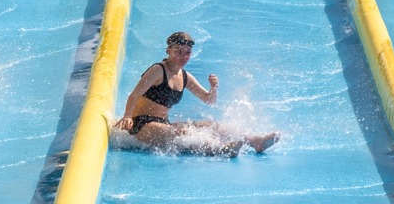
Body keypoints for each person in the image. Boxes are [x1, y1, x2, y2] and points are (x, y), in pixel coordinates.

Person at [116, 31, 278, 156]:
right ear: (169, 51)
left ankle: (255, 141)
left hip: (162, 123)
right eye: (178, 51)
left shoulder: (185, 77)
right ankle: (221, 150)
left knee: (212, 126)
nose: (183, 56)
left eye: (187, 53)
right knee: (183, 133)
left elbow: (209, 100)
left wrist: (213, 89)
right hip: (141, 125)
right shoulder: (158, 70)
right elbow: (134, 95)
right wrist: (127, 116)